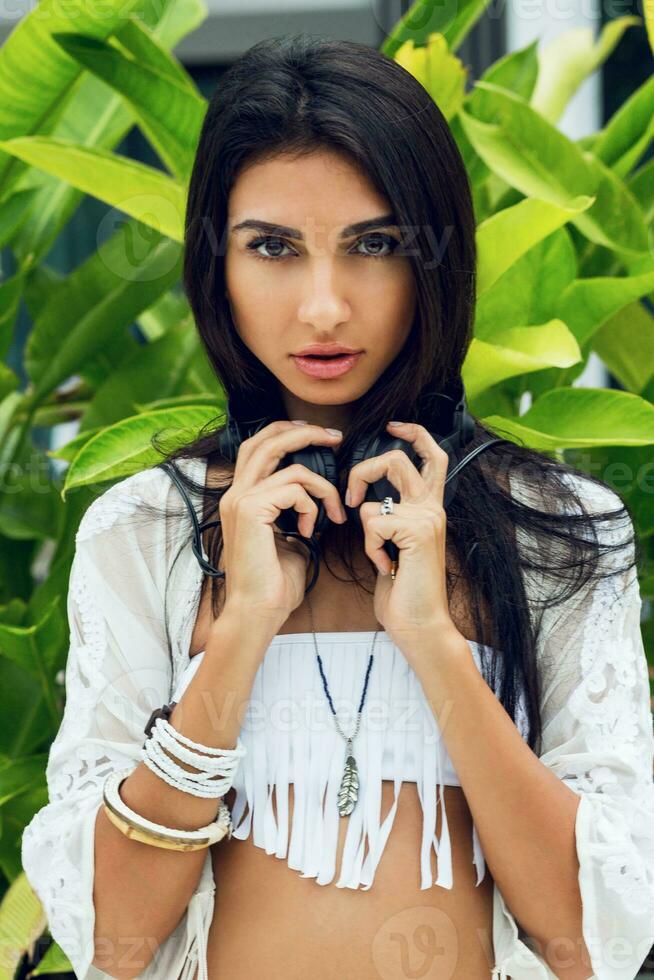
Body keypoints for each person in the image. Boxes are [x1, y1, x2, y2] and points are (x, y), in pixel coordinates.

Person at [22, 32, 654, 980]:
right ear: (215, 267)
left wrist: (438, 646)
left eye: (377, 245)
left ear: (435, 260)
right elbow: (115, 931)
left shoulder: (558, 530)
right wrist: (239, 633)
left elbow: (589, 940)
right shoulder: (144, 532)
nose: (324, 306)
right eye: (273, 247)